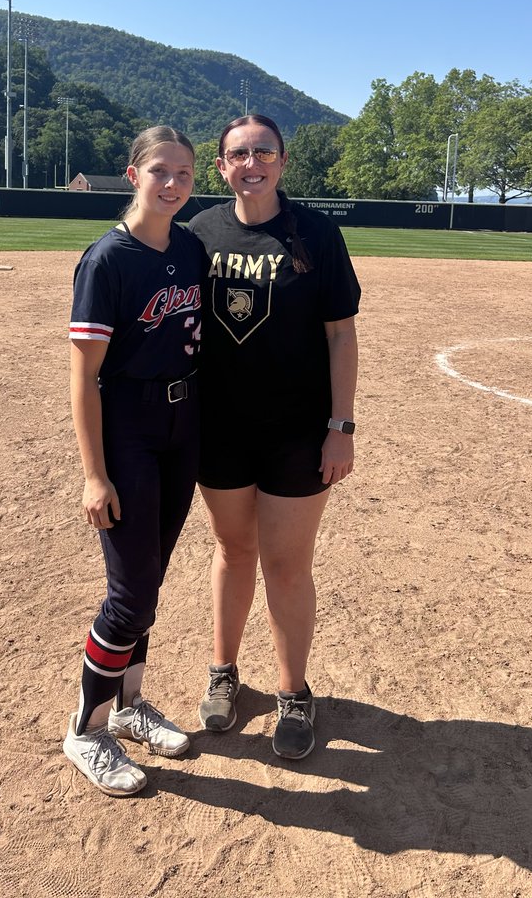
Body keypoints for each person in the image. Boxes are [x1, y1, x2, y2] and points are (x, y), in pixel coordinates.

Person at [187, 114, 361, 761]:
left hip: (297, 431)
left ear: (282, 162)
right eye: (238, 154)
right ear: (222, 166)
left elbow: (341, 334)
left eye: (263, 151)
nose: (251, 162)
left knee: (287, 565)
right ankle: (224, 673)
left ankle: (293, 692)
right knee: (233, 550)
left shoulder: (315, 233)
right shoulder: (199, 234)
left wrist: (340, 427)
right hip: (220, 431)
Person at [63, 126, 202, 796]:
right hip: (128, 431)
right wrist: (95, 474)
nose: (172, 183)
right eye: (160, 172)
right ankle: (86, 731)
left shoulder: (191, 248)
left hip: (182, 427)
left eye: (183, 173)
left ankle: (128, 708)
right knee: (129, 594)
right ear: (132, 175)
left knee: (150, 579)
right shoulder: (107, 261)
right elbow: (82, 377)